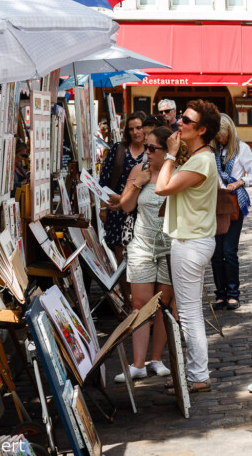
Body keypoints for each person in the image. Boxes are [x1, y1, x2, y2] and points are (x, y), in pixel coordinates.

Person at [155, 99, 220, 393]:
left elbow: (162, 188)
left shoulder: (202, 160)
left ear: (202, 129)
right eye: (180, 117)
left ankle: (197, 376)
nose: (180, 122)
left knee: (190, 313)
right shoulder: (200, 157)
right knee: (190, 311)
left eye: (186, 120)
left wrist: (169, 155)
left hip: (190, 242)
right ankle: (195, 373)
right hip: (193, 240)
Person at [114, 127, 175, 382]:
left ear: (166, 151)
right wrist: (136, 183)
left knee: (163, 306)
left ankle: (156, 359)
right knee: (140, 305)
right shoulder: (139, 170)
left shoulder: (176, 173)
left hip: (169, 247)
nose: (146, 152)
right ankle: (137, 364)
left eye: (152, 149)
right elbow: (126, 206)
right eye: (146, 147)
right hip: (141, 245)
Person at [99, 112, 145, 306]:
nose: (135, 132)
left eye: (139, 127)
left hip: (140, 212)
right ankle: (128, 300)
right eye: (132, 128)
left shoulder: (151, 151)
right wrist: (103, 207)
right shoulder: (119, 149)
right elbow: (104, 179)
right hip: (117, 211)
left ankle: (140, 299)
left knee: (139, 258)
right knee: (121, 259)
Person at [211, 113, 252, 310]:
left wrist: (240, 182)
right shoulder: (212, 150)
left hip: (234, 202)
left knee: (229, 250)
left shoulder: (242, 148)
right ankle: (220, 294)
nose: (220, 139)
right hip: (216, 202)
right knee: (216, 252)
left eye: (223, 135)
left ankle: (233, 293)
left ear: (230, 132)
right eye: (217, 136)